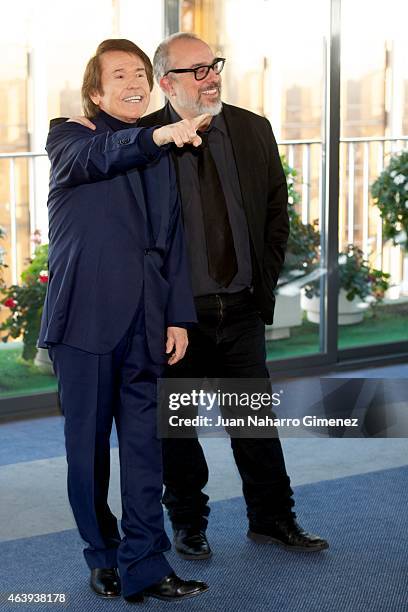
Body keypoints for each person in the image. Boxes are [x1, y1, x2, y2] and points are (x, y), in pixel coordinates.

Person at [57, 32, 328, 561]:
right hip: (177, 316)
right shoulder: (146, 137)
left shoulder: (253, 130)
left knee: (254, 423)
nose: (211, 77)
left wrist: (260, 285)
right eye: (195, 70)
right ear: (166, 82)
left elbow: (276, 215)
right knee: (175, 431)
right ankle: (188, 524)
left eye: (213, 65)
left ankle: (274, 519)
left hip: (241, 308)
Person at [39, 38, 210, 603]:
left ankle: (146, 564)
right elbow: (99, 158)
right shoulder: (70, 137)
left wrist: (178, 317)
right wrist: (158, 134)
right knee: (87, 453)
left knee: (145, 451)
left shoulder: (163, 154)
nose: (134, 82)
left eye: (140, 72)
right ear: (95, 91)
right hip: (83, 326)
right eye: (119, 75)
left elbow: (174, 243)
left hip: (148, 323)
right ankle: (102, 553)